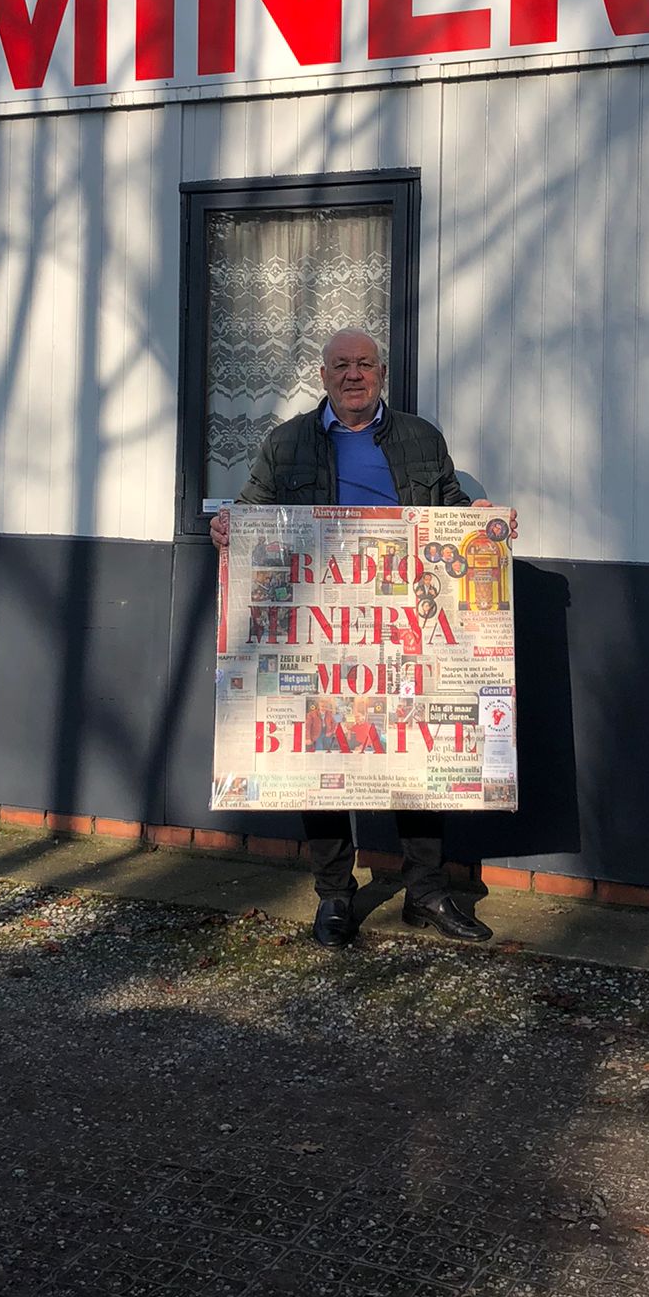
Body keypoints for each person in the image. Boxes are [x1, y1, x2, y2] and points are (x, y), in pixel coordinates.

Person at [209, 326, 511, 950]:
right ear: (324, 376)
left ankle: (426, 893)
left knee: (419, 752)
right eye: (342, 365)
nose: (354, 375)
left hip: (407, 627)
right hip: (317, 628)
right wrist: (227, 528)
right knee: (319, 755)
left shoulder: (421, 438)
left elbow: (448, 509)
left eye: (365, 365)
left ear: (381, 375)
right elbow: (252, 511)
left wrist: (476, 522)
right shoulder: (287, 442)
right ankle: (335, 896)